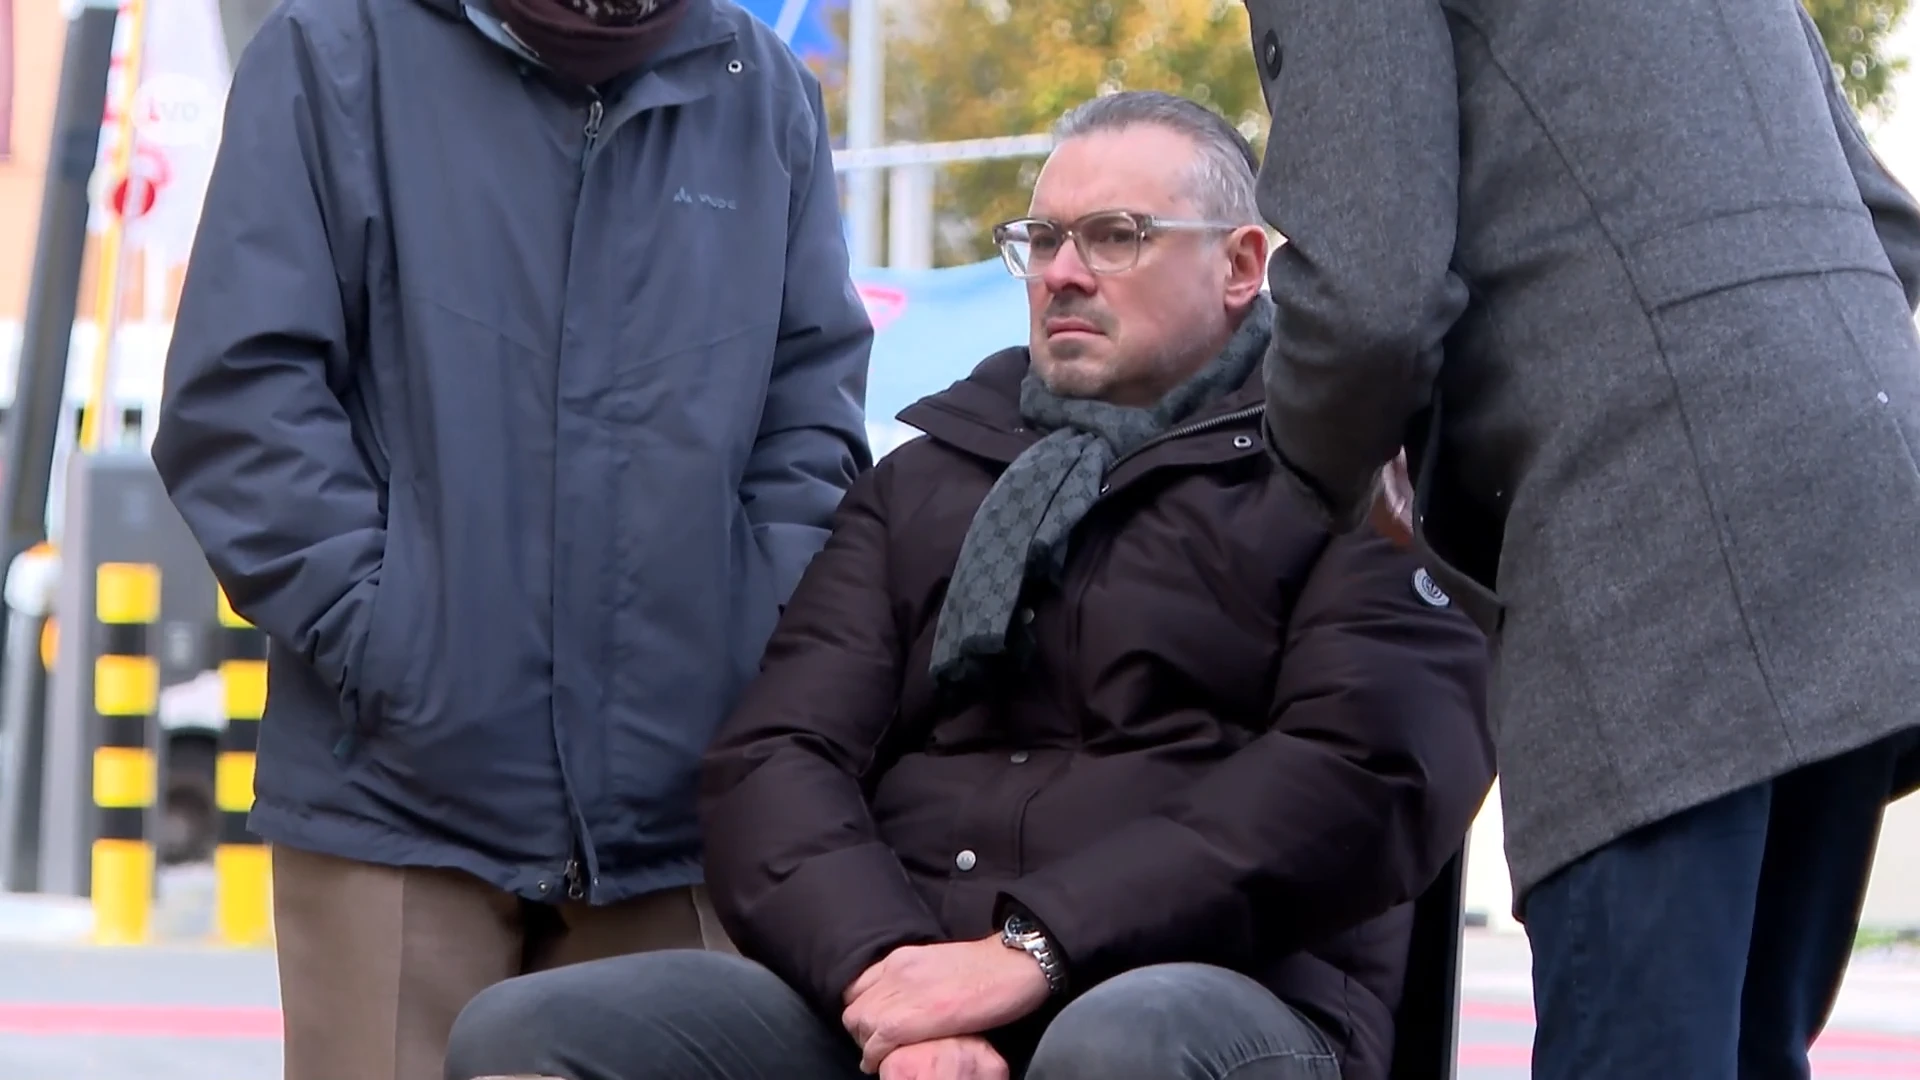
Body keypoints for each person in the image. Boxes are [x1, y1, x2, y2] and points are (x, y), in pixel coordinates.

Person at [440, 90, 1494, 1080]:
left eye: (1115, 236)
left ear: (1241, 263)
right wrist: (888, 976)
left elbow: (1365, 774)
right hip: (909, 972)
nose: (1062, 273)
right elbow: (775, 756)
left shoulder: (1358, 472)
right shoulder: (929, 477)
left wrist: (1036, 948)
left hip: (1225, 997)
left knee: (1123, 1041)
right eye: (1041, 240)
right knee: (528, 1033)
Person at [148, 0, 872, 1077]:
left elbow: (811, 419)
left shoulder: (762, 92)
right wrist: (386, 639)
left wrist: (750, 641)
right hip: (395, 795)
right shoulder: (334, 55)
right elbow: (242, 402)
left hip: (688, 806)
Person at [1241, 0, 1920, 1075]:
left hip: (1652, 537)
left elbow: (1369, 300)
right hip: (1864, 506)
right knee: (1747, 1047)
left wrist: (1314, 483)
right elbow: (1883, 224)